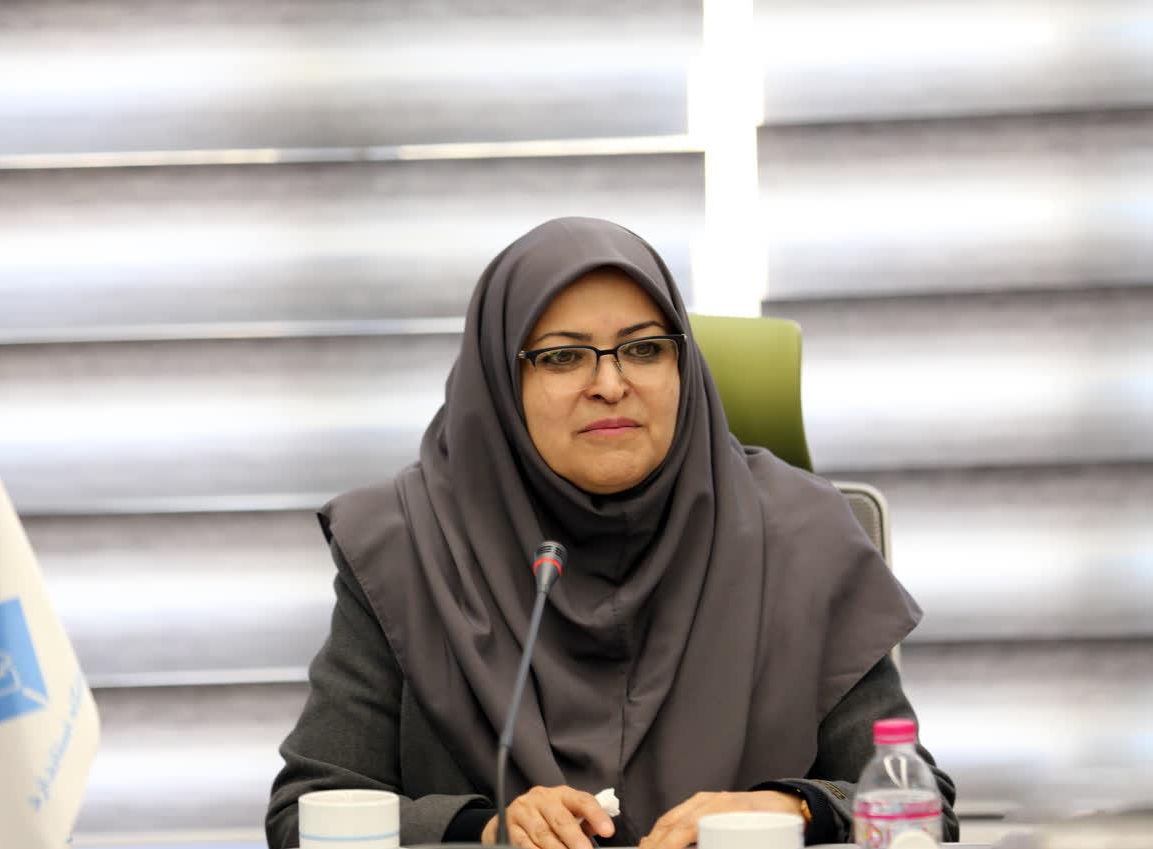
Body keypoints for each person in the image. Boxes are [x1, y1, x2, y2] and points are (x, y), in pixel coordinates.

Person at [266, 218, 958, 848]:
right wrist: (485, 827)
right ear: (501, 382)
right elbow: (305, 813)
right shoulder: (408, 545)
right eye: (564, 357)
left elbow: (917, 806)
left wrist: (789, 808)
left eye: (645, 349)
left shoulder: (799, 536)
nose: (610, 383)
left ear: (683, 367)